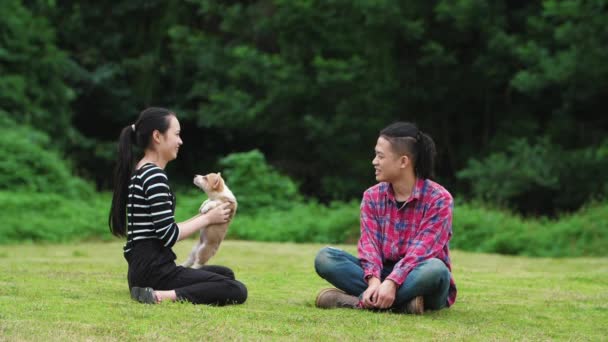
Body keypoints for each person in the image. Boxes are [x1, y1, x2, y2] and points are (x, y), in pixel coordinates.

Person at [108, 107, 247, 305]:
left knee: (226, 274)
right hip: (155, 271)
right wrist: (208, 219)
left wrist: (208, 215)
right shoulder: (154, 175)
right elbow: (169, 235)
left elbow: (161, 229)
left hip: (142, 270)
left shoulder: (141, 170)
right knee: (236, 289)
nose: (180, 141)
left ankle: (154, 289)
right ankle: (161, 295)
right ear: (157, 136)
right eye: (177, 134)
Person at [314, 122, 456, 314]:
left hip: (417, 276)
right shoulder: (371, 196)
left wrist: (392, 282)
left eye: (380, 156)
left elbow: (422, 251)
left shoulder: (439, 199)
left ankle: (359, 302)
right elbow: (369, 244)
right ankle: (404, 305)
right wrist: (374, 281)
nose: (374, 161)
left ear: (403, 161)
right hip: (381, 274)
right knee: (325, 258)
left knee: (436, 270)